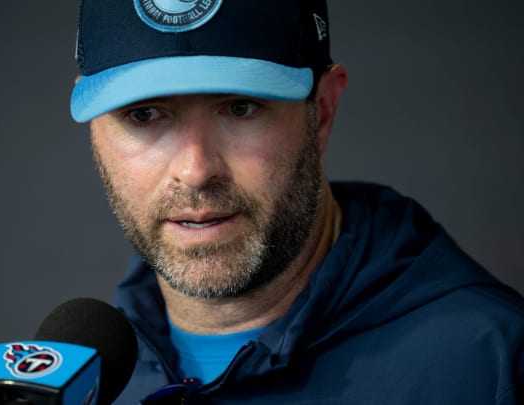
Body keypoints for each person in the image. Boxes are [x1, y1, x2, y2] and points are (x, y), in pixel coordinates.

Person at [69, 0, 524, 403]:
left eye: (240, 107)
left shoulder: (489, 365)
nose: (195, 169)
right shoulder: (80, 382)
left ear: (322, 110)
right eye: (144, 114)